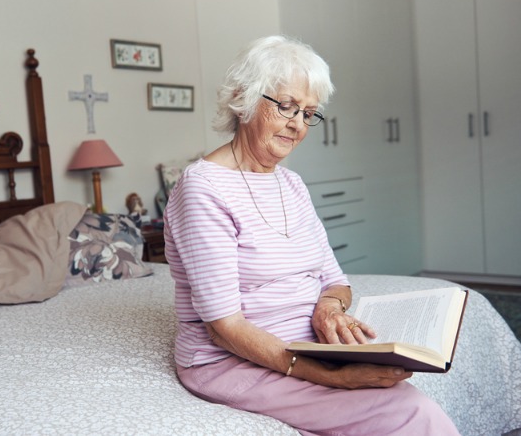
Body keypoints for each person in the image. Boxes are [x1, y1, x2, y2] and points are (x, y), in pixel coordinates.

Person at [163, 35, 459, 435]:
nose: (297, 124)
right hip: (230, 361)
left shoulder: (292, 184)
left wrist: (328, 310)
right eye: (285, 106)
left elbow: (336, 281)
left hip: (307, 345)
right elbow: (223, 326)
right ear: (244, 98)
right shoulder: (203, 187)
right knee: (410, 412)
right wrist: (330, 376)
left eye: (308, 113)